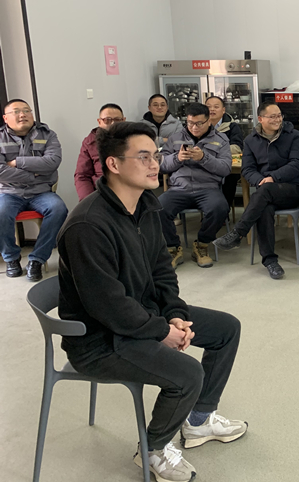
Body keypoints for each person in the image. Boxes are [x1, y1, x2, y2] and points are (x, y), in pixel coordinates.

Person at [58, 122, 246, 482]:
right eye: (143, 157)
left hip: (142, 315)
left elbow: (162, 271)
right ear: (113, 164)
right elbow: (107, 305)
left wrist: (174, 314)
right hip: (99, 340)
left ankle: (198, 420)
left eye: (155, 155)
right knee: (188, 374)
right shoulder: (88, 225)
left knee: (226, 329)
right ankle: (153, 449)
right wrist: (161, 331)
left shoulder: (146, 205)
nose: (154, 164)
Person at [213, 103, 299, 280]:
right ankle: (270, 261)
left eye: (279, 115)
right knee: (264, 208)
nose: (277, 119)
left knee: (264, 192)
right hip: (265, 192)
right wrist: (261, 181)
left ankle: (238, 232)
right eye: (272, 116)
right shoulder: (250, 140)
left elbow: (297, 164)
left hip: (291, 189)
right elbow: (247, 169)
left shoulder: (293, 135)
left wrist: (272, 178)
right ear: (261, 119)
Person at [0, 99, 68, 281]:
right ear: (5, 118)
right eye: (16, 111)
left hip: (41, 192)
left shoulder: (48, 134)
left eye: (26, 110)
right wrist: (33, 175)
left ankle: (37, 259)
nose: (22, 115)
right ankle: (11, 258)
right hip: (9, 193)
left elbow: (52, 162)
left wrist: (17, 162)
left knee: (58, 209)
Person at [159, 103, 231, 269]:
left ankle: (201, 245)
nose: (194, 127)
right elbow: (161, 165)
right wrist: (177, 158)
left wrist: (204, 158)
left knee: (220, 208)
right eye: (190, 123)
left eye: (199, 123)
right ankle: (172, 248)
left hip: (207, 188)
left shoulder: (221, 140)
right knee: (157, 208)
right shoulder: (175, 138)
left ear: (208, 121)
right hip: (179, 188)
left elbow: (225, 168)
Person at [74, 103, 126, 201]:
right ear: (99, 122)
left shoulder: (133, 140)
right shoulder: (90, 142)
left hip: (129, 191)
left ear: (124, 120)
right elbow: (82, 176)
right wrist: (89, 201)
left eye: (117, 120)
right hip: (100, 193)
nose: (112, 124)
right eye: (107, 120)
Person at [205, 96, 244, 208]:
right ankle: (208, 209)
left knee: (229, 177)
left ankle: (224, 209)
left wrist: (213, 150)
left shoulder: (232, 126)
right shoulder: (198, 126)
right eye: (208, 107)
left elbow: (237, 147)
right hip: (204, 164)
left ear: (223, 110)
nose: (212, 109)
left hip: (226, 164)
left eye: (216, 107)